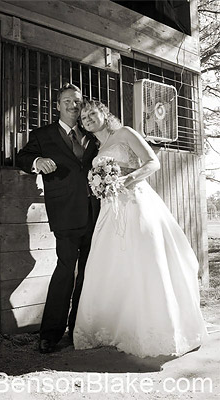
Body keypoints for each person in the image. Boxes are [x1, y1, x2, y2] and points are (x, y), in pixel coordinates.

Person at [73, 100, 208, 358]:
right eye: (83, 117)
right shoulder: (95, 146)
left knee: (145, 260)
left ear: (104, 114)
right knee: (111, 266)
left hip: (136, 202)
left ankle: (153, 327)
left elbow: (152, 162)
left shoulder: (124, 133)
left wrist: (127, 178)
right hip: (110, 210)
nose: (88, 118)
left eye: (92, 112)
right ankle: (116, 327)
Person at [16, 84, 100, 354]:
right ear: (57, 105)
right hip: (64, 212)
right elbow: (22, 157)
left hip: (95, 213)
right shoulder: (43, 135)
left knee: (88, 272)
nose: (73, 106)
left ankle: (78, 329)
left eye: (77, 101)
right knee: (66, 269)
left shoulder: (92, 134)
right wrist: (37, 161)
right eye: (67, 101)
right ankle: (50, 334)